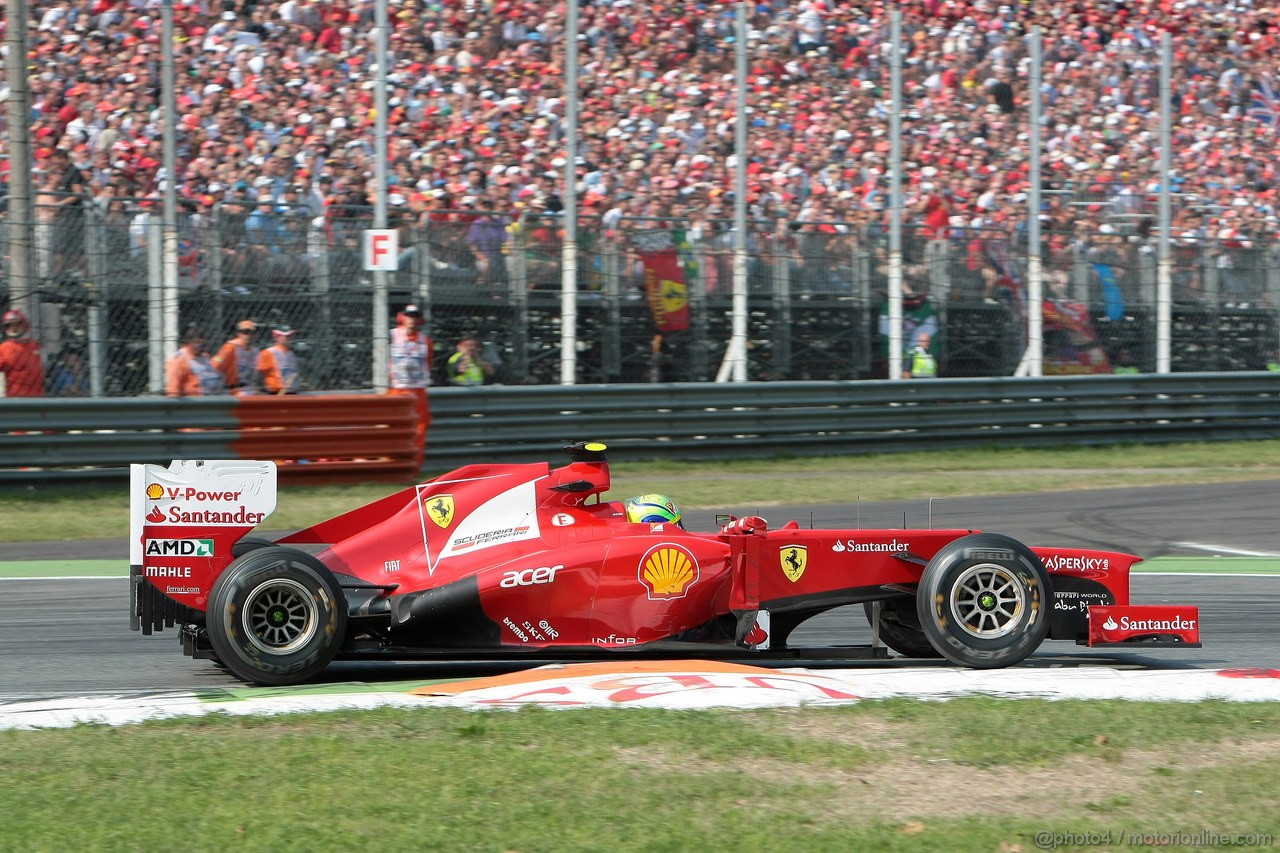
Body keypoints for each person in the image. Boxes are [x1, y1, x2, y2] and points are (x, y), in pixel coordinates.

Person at [389, 304, 433, 454]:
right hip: (396, 388)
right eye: (409, 316)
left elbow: (429, 362)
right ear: (402, 317)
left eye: (415, 316)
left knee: (420, 426)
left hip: (418, 389)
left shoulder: (425, 340)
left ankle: (413, 466)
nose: (412, 319)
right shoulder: (392, 336)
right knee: (393, 426)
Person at [166, 328, 225, 397]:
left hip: (212, 399)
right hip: (193, 402)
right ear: (190, 343)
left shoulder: (205, 357)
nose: (202, 348)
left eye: (203, 345)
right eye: (199, 345)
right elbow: (173, 390)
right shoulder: (179, 360)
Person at [0, 309, 45, 397]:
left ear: (24, 325)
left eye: (17, 324)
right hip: (15, 398)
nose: (14, 328)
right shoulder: (4, 348)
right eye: (10, 325)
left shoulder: (35, 346)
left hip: (37, 397)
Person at [211, 320, 262, 394]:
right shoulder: (230, 347)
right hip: (234, 389)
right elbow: (215, 364)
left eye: (251, 333)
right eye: (244, 332)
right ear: (238, 333)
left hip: (250, 388)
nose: (248, 335)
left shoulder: (255, 351)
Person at [257, 325, 301, 394]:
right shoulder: (268, 353)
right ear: (276, 336)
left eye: (290, 335)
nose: (289, 338)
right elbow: (257, 373)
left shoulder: (292, 355)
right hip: (277, 393)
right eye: (286, 336)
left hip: (292, 393)